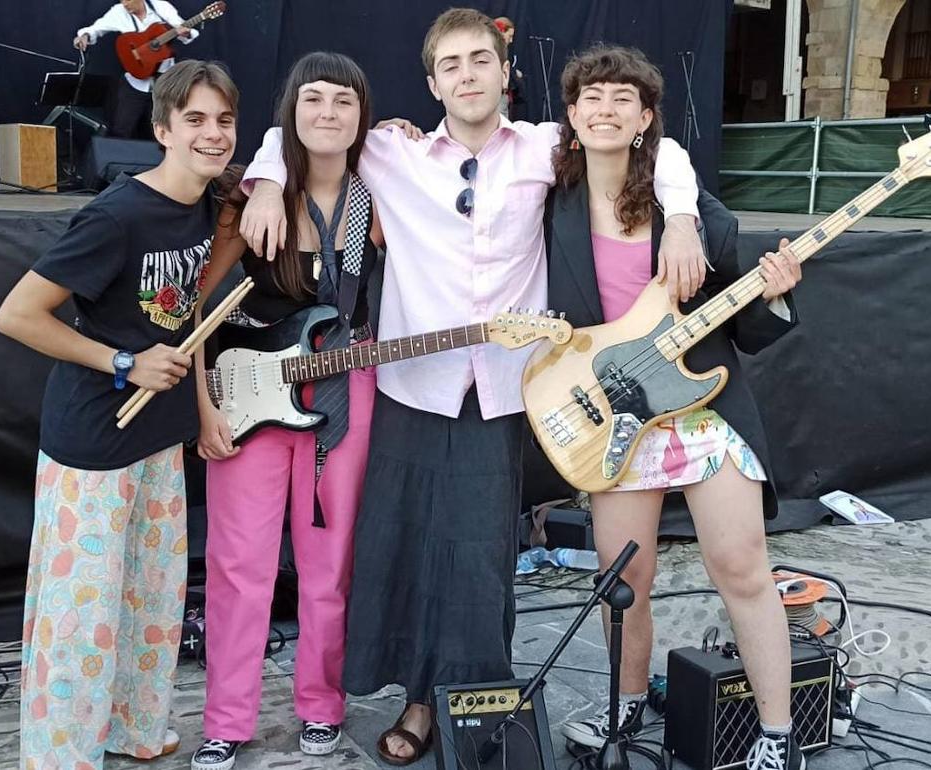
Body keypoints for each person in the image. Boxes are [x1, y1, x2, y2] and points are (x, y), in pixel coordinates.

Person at [237, 8, 705, 765]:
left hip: (505, 391)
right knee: (406, 547)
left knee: (480, 558)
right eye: (449, 64)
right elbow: (303, 130)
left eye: (478, 60)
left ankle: (474, 703)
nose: (465, 75)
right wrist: (264, 180)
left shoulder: (549, 147)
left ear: (503, 71)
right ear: (431, 82)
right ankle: (418, 700)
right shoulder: (393, 150)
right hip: (410, 385)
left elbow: (663, 149)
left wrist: (680, 221)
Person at [541, 44, 806, 770]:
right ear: (570, 114)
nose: (604, 107)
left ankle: (778, 736)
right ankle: (625, 713)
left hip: (701, 412)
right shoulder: (550, 202)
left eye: (622, 97)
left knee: (742, 567)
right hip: (619, 416)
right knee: (621, 581)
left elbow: (744, 325)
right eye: (590, 96)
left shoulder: (688, 208)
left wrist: (776, 288)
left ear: (646, 116)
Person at [0, 59, 238, 770]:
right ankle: (60, 755)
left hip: (160, 439)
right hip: (94, 444)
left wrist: (202, 409)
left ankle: (134, 729)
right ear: (161, 128)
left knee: (151, 605)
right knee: (81, 622)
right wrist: (122, 363)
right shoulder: (116, 215)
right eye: (194, 119)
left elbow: (187, 323)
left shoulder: (207, 205)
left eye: (223, 119)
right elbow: (16, 316)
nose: (212, 133)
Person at [189, 51, 382, 770]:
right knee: (240, 564)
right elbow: (192, 310)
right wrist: (204, 402)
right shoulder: (249, 199)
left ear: (363, 114)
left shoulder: (378, 197)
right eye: (313, 101)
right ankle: (226, 719)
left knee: (331, 563)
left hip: (343, 387)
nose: (328, 114)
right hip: (249, 398)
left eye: (343, 101)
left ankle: (321, 707)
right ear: (290, 113)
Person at [75, 0, 200, 140]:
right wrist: (84, 36)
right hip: (135, 80)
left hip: (164, 81)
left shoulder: (161, 7)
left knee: (165, 130)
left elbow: (181, 28)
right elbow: (96, 28)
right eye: (122, 1)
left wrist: (186, 33)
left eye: (128, 0)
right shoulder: (118, 11)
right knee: (121, 129)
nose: (125, 4)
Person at [492, 16, 524, 120]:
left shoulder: (502, 51)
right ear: (501, 32)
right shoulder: (493, 51)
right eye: (509, 36)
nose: (511, 40)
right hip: (497, 95)